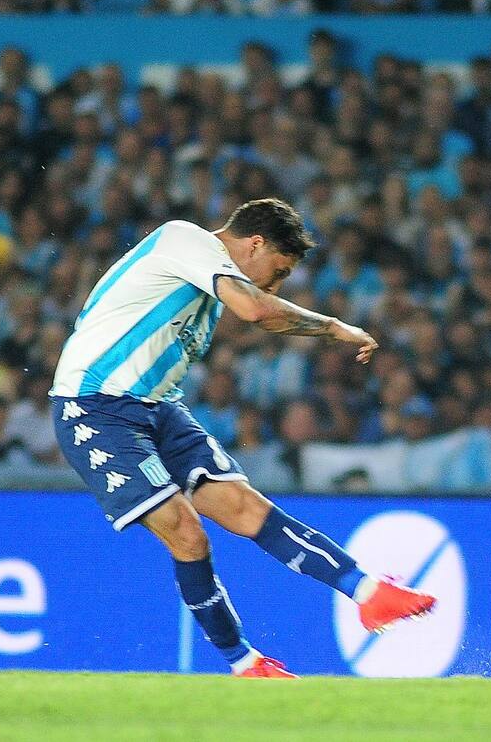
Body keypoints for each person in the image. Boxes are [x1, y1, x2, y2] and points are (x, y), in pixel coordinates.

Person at [49, 199, 436, 678]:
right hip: (94, 407)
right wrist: (334, 327)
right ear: (254, 244)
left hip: (159, 406)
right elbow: (258, 310)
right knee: (187, 532)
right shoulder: (182, 238)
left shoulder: (208, 291)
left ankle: (369, 593)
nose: (275, 284)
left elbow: (261, 310)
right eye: (278, 270)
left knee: (246, 507)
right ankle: (243, 662)